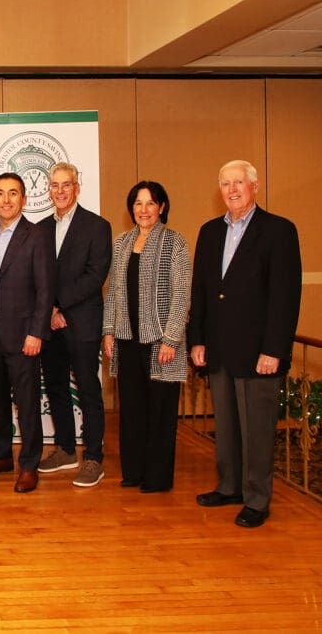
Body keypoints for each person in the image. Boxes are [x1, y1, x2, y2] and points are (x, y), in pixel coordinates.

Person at [190, 160, 301, 528]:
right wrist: (198, 340)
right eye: (225, 183)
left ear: (255, 186)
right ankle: (230, 486)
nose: (232, 189)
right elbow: (203, 293)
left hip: (258, 354)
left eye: (239, 182)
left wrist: (274, 349)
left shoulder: (278, 231)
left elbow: (285, 297)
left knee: (257, 430)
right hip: (219, 350)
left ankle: (256, 498)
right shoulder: (209, 232)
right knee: (227, 425)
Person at [102, 181, 190, 494]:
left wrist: (171, 338)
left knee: (161, 413)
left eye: (150, 203)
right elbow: (112, 291)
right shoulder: (121, 242)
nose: (144, 209)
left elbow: (181, 294)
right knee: (133, 411)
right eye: (138, 203)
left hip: (161, 343)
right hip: (127, 340)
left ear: (162, 207)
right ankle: (134, 471)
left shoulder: (175, 243)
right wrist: (109, 331)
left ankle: (157, 478)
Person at [0, 172, 55, 494]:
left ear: (23, 199)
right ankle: (1, 455)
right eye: (0, 193)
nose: (6, 199)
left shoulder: (36, 236)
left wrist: (37, 332)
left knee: (27, 402)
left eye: (13, 193)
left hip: (23, 335)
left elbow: (45, 290)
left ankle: (29, 464)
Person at [36, 162, 112, 487]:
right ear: (49, 190)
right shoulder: (39, 229)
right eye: (54, 185)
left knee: (88, 389)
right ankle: (66, 450)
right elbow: (36, 277)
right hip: (49, 324)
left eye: (66, 185)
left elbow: (95, 275)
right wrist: (50, 311)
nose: (60, 191)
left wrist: (60, 305)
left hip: (82, 322)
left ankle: (93, 457)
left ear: (77, 188)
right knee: (55, 388)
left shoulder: (97, 226)